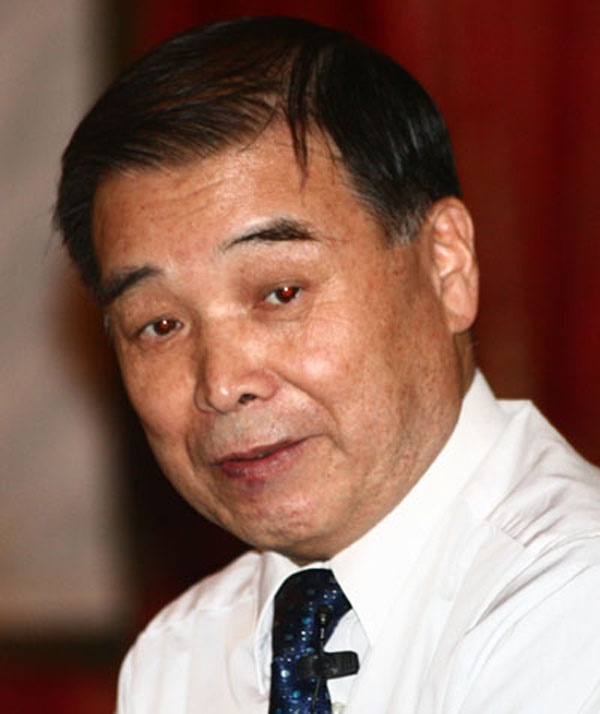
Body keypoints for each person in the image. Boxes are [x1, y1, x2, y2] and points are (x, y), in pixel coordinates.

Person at [55, 17, 600, 714]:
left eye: (281, 293)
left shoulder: (570, 603)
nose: (222, 383)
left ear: (446, 265)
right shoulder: (178, 658)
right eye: (159, 325)